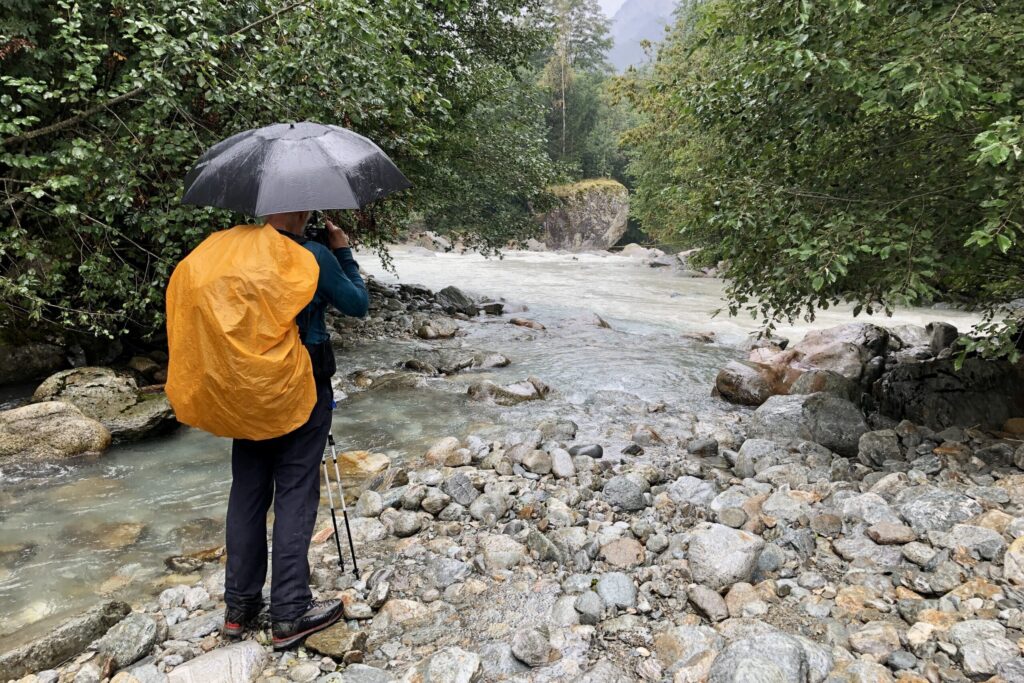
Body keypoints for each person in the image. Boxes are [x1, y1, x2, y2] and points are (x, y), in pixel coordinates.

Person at [221, 211, 368, 648]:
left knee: (247, 491)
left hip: (247, 386)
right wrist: (342, 251)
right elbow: (358, 304)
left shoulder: (236, 251)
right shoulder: (313, 255)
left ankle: (239, 608)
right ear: (303, 209)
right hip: (302, 386)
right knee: (295, 491)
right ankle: (288, 612)